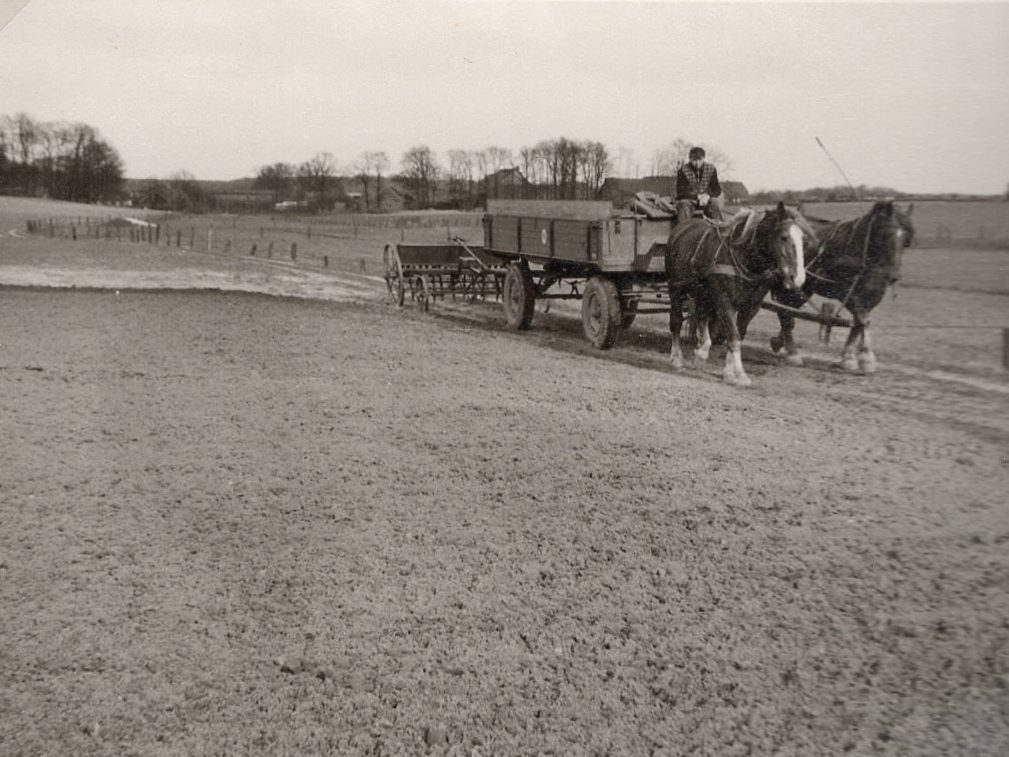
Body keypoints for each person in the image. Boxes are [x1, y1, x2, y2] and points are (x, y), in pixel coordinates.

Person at [675, 147, 725, 223]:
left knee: (715, 202)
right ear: (690, 159)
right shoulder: (682, 171)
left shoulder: (711, 169)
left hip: (706, 200)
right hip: (690, 200)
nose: (697, 163)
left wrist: (707, 196)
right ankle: (683, 229)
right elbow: (680, 192)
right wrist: (697, 197)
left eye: (700, 160)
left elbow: (717, 189)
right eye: (694, 160)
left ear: (704, 158)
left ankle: (720, 228)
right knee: (683, 204)